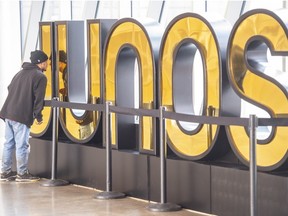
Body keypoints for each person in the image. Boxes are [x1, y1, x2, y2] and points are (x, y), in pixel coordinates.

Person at [0, 50, 48, 182]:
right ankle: (22, 174)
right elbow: (39, 99)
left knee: (9, 144)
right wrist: (38, 116)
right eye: (46, 61)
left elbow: (10, 88)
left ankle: (5, 172)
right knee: (22, 145)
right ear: (42, 63)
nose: (48, 64)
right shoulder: (40, 77)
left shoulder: (19, 73)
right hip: (21, 115)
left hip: (8, 112)